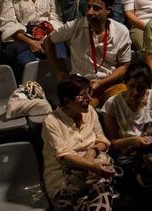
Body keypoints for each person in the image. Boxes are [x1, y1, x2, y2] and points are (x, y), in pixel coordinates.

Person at [101, 59, 152, 210]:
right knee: (141, 186)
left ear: (147, 86)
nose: (135, 92)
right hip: (129, 156)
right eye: (131, 87)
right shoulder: (113, 104)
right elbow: (112, 143)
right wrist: (134, 140)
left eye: (140, 88)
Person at [41, 76, 117, 210]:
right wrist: (92, 167)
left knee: (102, 199)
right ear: (67, 101)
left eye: (89, 93)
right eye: (83, 96)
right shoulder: (51, 122)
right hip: (65, 180)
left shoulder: (90, 112)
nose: (89, 99)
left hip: (94, 174)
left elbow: (103, 141)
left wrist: (91, 152)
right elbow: (66, 156)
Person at [45, 0, 132, 101]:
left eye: (96, 8)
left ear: (108, 10)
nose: (90, 12)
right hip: (81, 87)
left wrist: (102, 82)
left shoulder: (121, 31)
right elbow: (48, 41)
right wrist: (59, 71)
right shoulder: (75, 26)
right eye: (88, 7)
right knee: (83, 114)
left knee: (126, 104)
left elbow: (124, 66)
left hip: (109, 83)